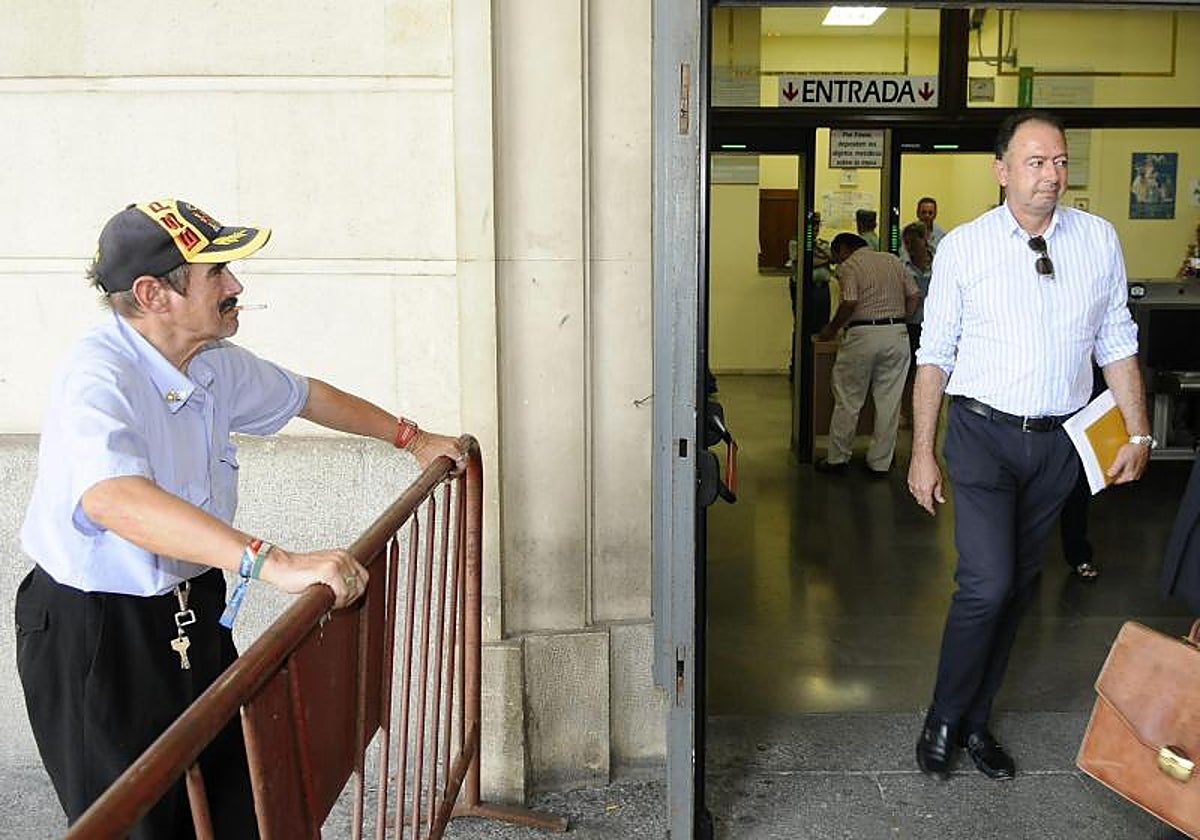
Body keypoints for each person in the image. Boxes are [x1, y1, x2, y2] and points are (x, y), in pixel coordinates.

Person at [15, 198, 465, 838]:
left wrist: (411, 437)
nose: (236, 287)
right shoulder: (98, 374)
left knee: (235, 804)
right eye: (216, 273)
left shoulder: (210, 361)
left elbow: (307, 396)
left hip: (191, 604)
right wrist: (273, 561)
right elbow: (112, 497)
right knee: (138, 821)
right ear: (153, 293)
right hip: (97, 629)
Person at [908, 111, 1153, 783]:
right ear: (1003, 171)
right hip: (982, 437)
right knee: (986, 584)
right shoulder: (964, 246)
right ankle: (943, 717)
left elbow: (1117, 340)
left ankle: (976, 720)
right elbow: (934, 356)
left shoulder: (1097, 239)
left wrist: (1136, 431)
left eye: (1061, 162)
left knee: (1018, 586)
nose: (1052, 175)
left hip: (1058, 444)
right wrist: (922, 451)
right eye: (1037, 162)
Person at [814, 233, 919, 477]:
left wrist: (832, 328)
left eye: (836, 254)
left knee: (849, 398)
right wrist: (902, 318)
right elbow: (914, 295)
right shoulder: (892, 261)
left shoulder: (849, 265)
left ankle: (838, 459)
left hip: (863, 335)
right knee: (889, 402)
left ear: (843, 250)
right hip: (897, 334)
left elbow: (850, 301)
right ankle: (880, 463)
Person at [902, 196, 947, 261]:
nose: (927, 216)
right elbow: (903, 257)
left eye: (930, 213)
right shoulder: (907, 233)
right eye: (924, 212)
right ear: (917, 213)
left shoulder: (942, 236)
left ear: (935, 214)